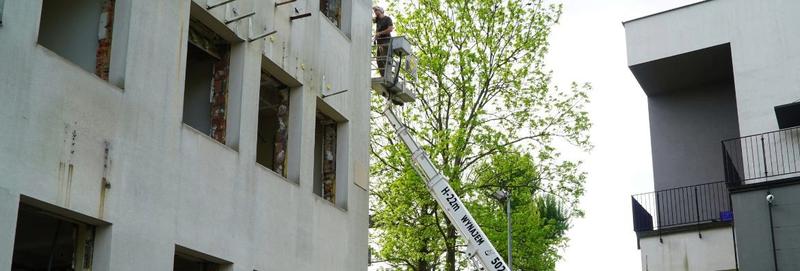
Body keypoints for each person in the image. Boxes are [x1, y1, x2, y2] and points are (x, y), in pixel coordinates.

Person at [373, 6, 394, 78]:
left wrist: (380, 33)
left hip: (386, 41)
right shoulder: (377, 20)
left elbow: (390, 29)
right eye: (374, 11)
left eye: (376, 10)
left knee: (384, 58)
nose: (375, 12)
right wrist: (376, 36)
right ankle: (383, 76)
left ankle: (387, 76)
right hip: (379, 43)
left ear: (381, 10)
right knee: (378, 60)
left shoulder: (387, 19)